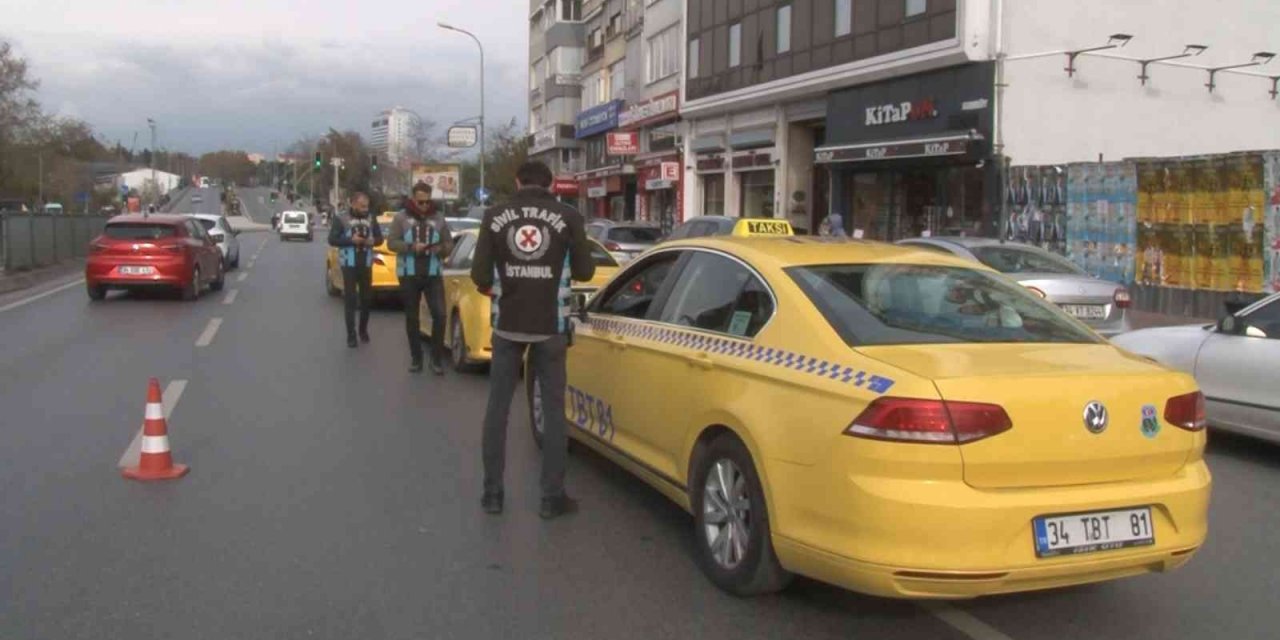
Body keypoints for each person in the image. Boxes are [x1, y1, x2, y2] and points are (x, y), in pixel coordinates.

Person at [471, 161, 595, 519]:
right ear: (552, 183)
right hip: (551, 328)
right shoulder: (568, 216)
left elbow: (479, 273)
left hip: (507, 326)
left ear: (516, 181)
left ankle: (493, 494)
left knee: (498, 410)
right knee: (555, 413)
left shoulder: (494, 216)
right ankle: (551, 498)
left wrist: (502, 283)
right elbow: (586, 271)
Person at [387, 182, 453, 374]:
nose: (424, 206)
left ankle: (436, 359)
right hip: (409, 273)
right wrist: (410, 247)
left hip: (433, 272)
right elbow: (391, 243)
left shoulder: (439, 218)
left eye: (427, 202)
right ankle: (416, 358)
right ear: (413, 199)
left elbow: (448, 243)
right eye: (420, 202)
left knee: (440, 315)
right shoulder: (401, 218)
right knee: (412, 317)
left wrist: (440, 249)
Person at [328, 192, 382, 348]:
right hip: (349, 263)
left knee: (366, 300)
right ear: (353, 204)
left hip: (366, 263)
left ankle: (363, 330)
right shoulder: (341, 218)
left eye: (367, 206)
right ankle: (351, 335)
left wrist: (371, 241)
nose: (365, 209)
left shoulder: (371, 218)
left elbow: (379, 239)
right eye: (362, 206)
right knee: (350, 299)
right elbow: (332, 239)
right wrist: (351, 241)